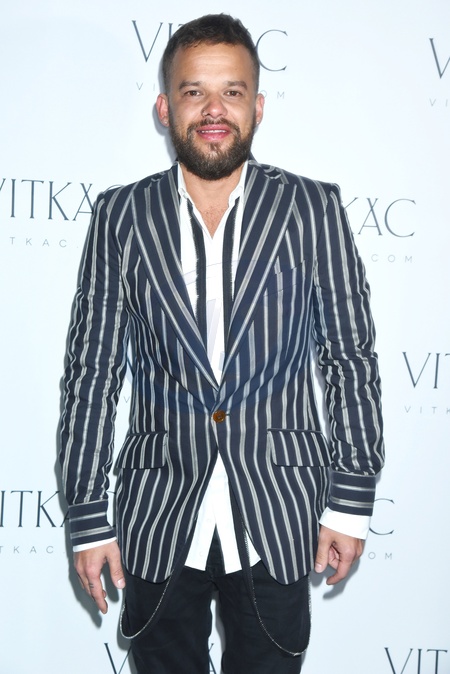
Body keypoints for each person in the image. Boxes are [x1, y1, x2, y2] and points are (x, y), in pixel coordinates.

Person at [59, 13, 384, 674]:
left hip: (279, 513)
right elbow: (92, 372)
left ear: (257, 107)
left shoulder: (312, 209)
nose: (214, 110)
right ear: (164, 108)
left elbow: (350, 359)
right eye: (194, 91)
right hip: (157, 514)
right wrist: (89, 515)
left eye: (232, 92)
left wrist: (350, 504)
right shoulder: (121, 216)